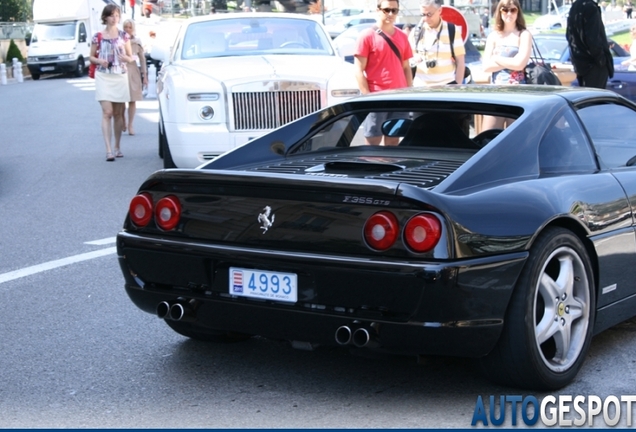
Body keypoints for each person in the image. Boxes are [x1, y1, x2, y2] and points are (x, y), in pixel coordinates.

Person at [354, 0, 413, 146]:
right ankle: (371, 169)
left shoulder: (402, 36)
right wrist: (367, 98)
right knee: (373, 141)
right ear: (378, 10)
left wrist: (410, 92)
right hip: (376, 97)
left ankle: (390, 169)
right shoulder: (366, 35)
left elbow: (406, 67)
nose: (391, 14)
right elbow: (358, 70)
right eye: (387, 10)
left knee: (393, 139)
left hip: (400, 97)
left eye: (395, 10)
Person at [88, 4, 133, 161]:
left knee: (118, 114)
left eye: (117, 15)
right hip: (104, 76)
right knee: (107, 112)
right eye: (112, 15)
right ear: (105, 17)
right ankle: (108, 150)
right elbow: (91, 57)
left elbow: (131, 57)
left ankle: (117, 146)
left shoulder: (124, 36)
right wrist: (100, 60)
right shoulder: (97, 36)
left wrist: (125, 58)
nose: (115, 18)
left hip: (120, 76)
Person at [481, 0, 531, 130]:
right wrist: (511, 62)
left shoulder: (524, 35)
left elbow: (520, 64)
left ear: (518, 12)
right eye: (505, 10)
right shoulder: (493, 36)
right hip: (495, 94)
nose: (509, 13)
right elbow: (486, 66)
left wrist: (496, 58)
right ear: (500, 12)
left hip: (518, 94)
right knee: (487, 136)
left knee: (515, 138)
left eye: (513, 10)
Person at [409, 0, 466, 86]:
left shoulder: (452, 30)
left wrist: (457, 86)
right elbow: (408, 58)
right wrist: (414, 57)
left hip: (447, 87)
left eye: (429, 14)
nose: (425, 19)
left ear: (439, 10)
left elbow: (460, 62)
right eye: (423, 15)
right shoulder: (415, 32)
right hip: (421, 87)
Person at [566, 0, 614, 89]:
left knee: (587, 97)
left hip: (581, 62)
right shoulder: (590, 7)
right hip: (593, 63)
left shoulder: (575, 7)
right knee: (595, 98)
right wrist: (601, 59)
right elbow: (592, 38)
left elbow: (570, 35)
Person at [122, 19, 148, 136]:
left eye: (129, 27)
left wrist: (145, 76)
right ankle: (122, 120)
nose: (127, 29)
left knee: (132, 99)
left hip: (133, 71)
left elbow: (142, 59)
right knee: (120, 100)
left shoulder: (137, 42)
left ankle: (130, 124)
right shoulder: (119, 40)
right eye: (125, 27)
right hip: (121, 71)